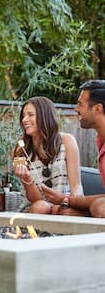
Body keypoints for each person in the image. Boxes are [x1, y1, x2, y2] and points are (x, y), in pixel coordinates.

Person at [12, 96, 86, 216]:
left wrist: (74, 202)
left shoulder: (67, 141)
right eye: (23, 116)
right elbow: (34, 199)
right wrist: (27, 179)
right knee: (42, 207)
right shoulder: (19, 149)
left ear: (45, 116)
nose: (24, 120)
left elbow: (76, 186)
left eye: (30, 115)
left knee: (66, 211)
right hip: (35, 207)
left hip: (63, 203)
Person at [43, 80, 105, 217]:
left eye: (80, 104)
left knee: (100, 206)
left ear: (97, 108)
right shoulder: (101, 141)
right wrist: (68, 201)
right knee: (68, 212)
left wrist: (66, 199)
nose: (76, 109)